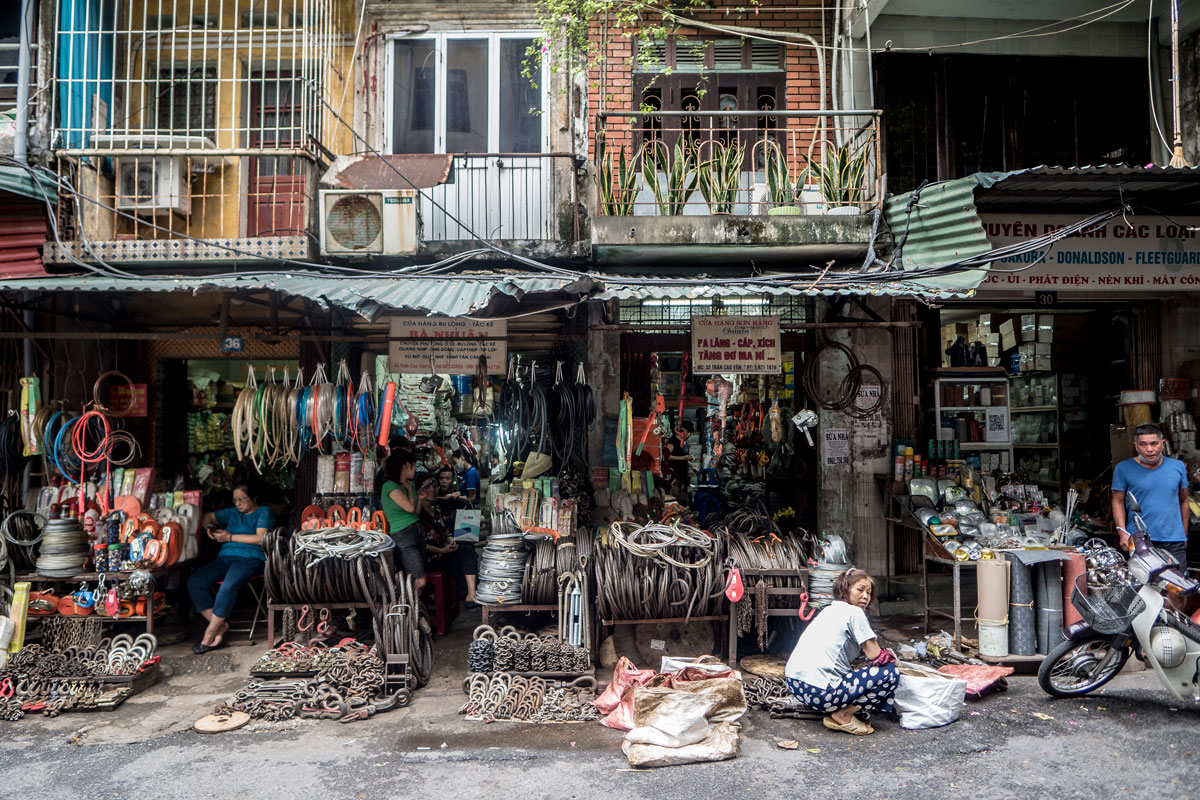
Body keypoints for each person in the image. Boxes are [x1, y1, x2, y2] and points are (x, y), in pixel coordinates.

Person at [784, 568, 898, 736]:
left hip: (795, 685)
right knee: (890, 672)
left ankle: (839, 707)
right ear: (845, 589)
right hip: (821, 693)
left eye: (869, 592)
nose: (866, 596)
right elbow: (876, 656)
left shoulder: (828, 610)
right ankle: (844, 714)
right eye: (860, 590)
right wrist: (892, 659)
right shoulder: (855, 612)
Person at [187, 485, 275, 653]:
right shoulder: (232, 513)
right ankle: (221, 625)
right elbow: (205, 517)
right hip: (226, 557)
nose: (237, 504)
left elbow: (260, 538)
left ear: (253, 498)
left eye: (241, 499)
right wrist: (209, 529)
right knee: (195, 581)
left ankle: (210, 632)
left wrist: (229, 537)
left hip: (252, 559)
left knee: (228, 585)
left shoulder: (263, 512)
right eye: (234, 500)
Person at [1112, 423, 1190, 570]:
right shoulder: (1123, 468)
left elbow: (1184, 500)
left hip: (1174, 540)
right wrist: (1122, 531)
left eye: (1154, 443)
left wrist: (1183, 531)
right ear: (1135, 445)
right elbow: (1118, 501)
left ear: (1163, 443)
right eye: (1143, 444)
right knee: (1144, 588)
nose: (1149, 449)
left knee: (1177, 587)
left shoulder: (1177, 466)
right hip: (1140, 539)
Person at [421, 475, 478, 604]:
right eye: (428, 487)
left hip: (444, 553)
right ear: (420, 492)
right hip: (431, 558)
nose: (434, 490)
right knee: (462, 556)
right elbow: (421, 543)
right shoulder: (417, 514)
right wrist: (442, 550)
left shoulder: (435, 510)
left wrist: (451, 540)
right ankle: (463, 593)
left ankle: (471, 594)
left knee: (467, 549)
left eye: (435, 487)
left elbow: (446, 531)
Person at [382, 449, 432, 592]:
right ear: (406, 466)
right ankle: (399, 605)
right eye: (414, 465)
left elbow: (415, 512)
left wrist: (420, 499)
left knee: (418, 577)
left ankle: (413, 611)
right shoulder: (390, 486)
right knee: (420, 580)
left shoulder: (406, 485)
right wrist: (411, 491)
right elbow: (410, 508)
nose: (416, 469)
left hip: (416, 531)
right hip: (403, 535)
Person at [664, 421, 695, 501]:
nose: (688, 435)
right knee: (675, 499)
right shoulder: (673, 441)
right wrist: (683, 458)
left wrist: (690, 465)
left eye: (690, 433)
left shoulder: (684, 443)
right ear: (681, 430)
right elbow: (666, 457)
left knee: (682, 500)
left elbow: (683, 457)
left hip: (682, 478)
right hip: (674, 478)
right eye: (687, 432)